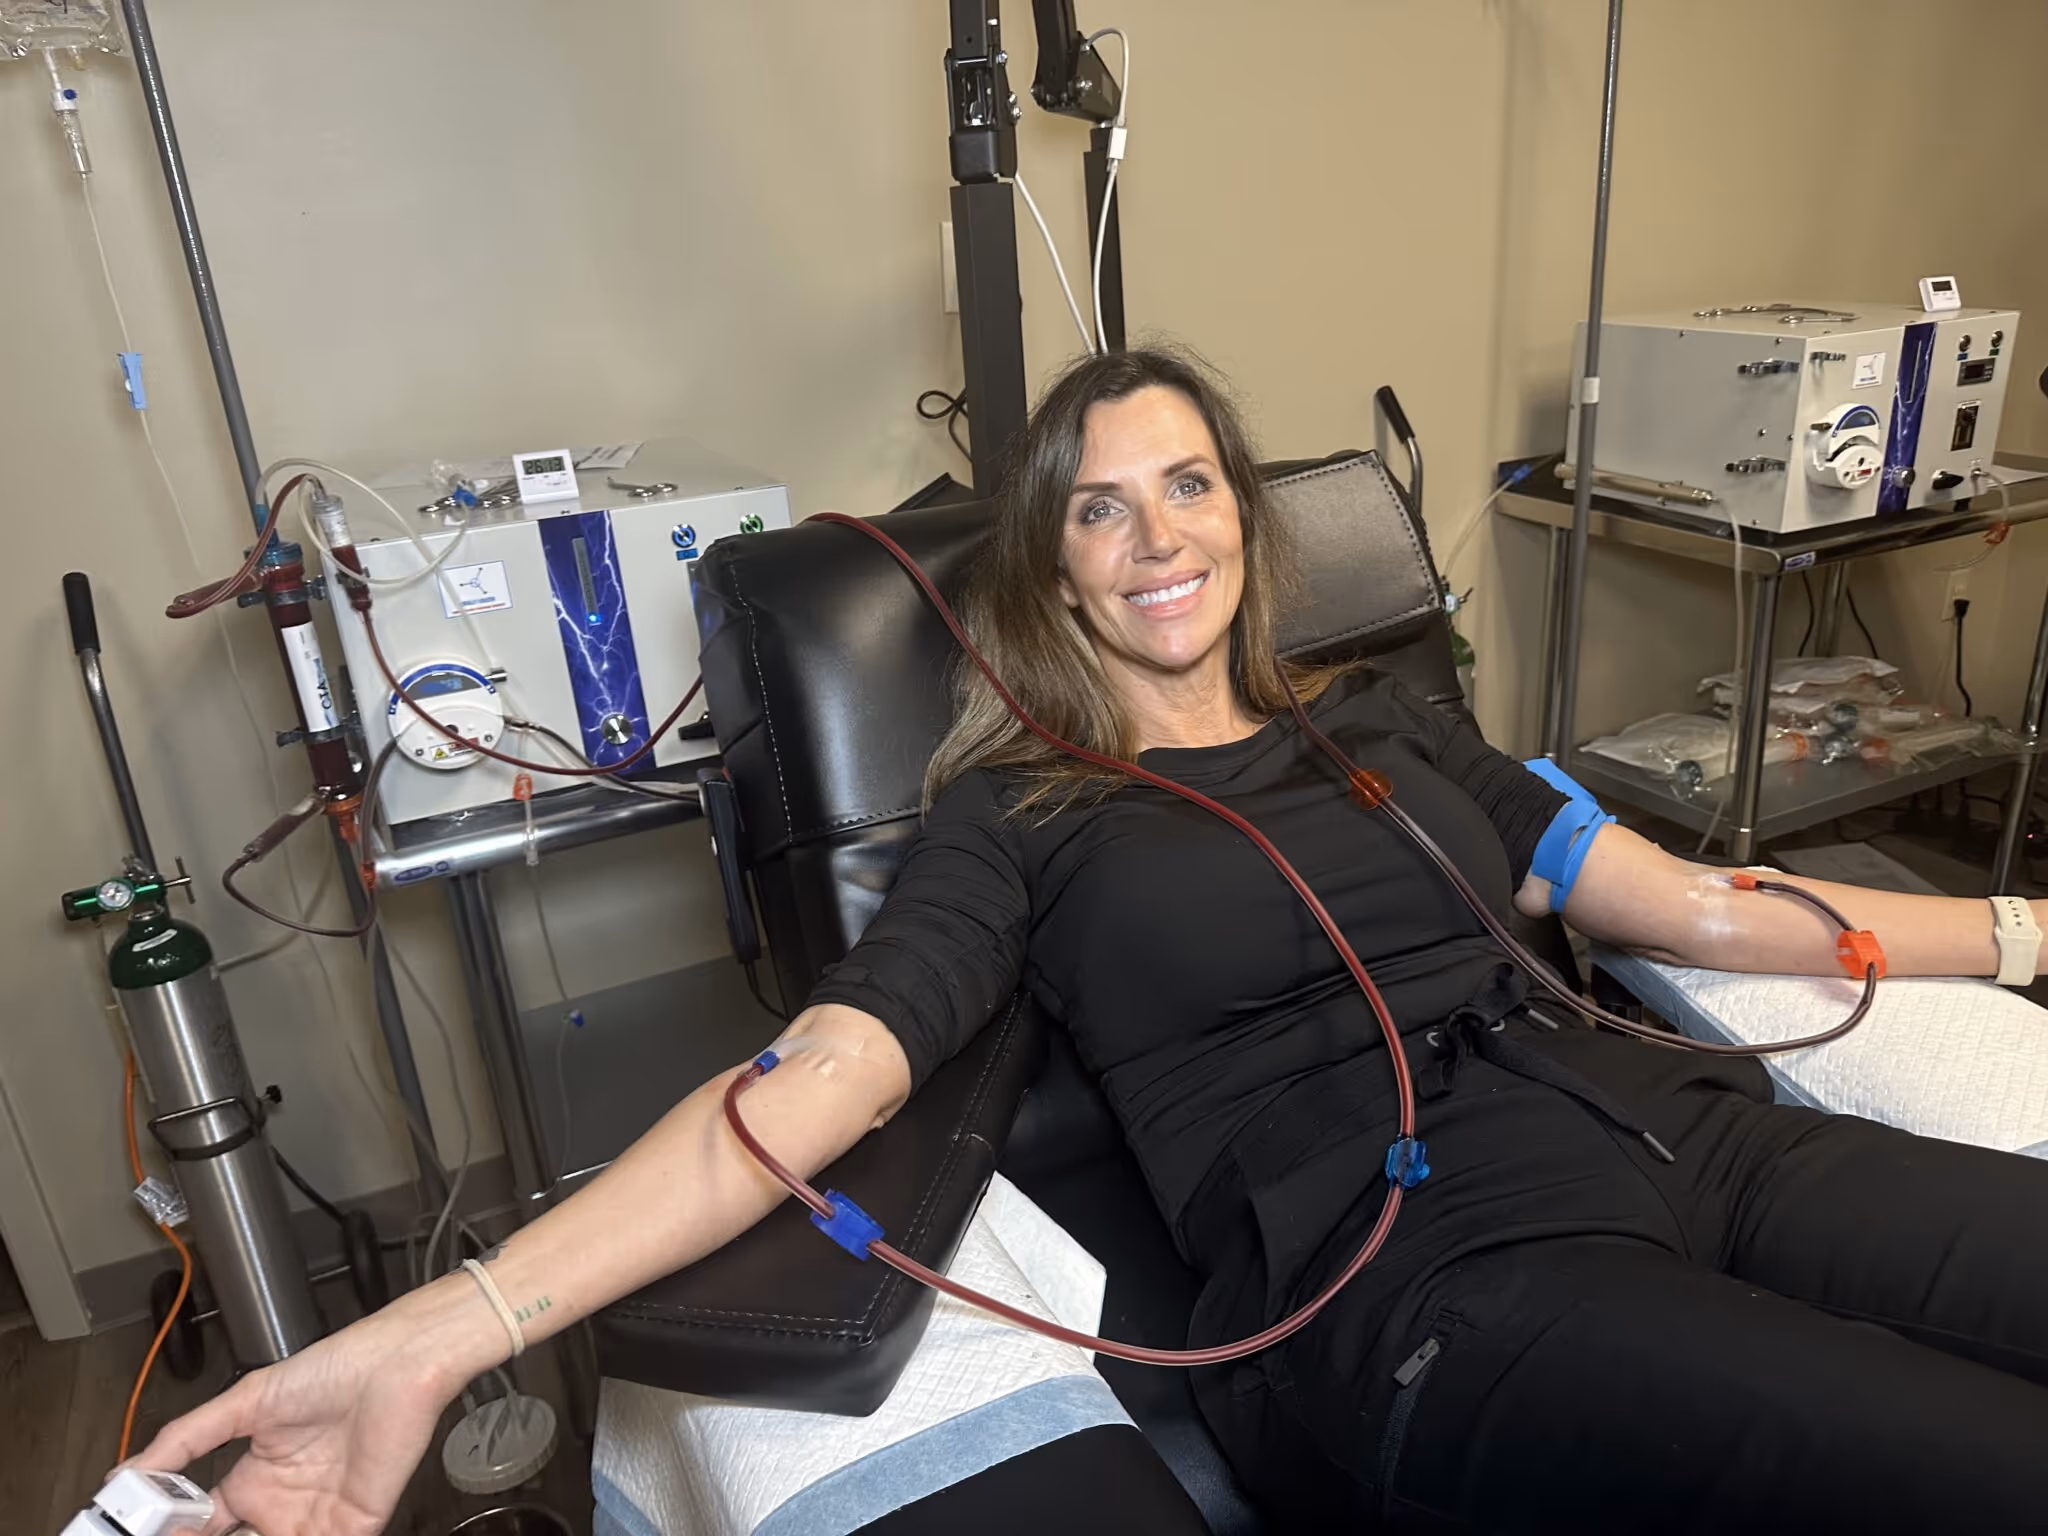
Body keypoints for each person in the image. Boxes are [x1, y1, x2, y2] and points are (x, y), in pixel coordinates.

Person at [137, 347, 2048, 1534]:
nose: (1158, 540)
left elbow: (1703, 905)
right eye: (1100, 508)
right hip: (1435, 1280)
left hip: (1694, 1132)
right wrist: (436, 1333)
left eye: (1190, 484)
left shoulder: (1396, 730)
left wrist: (2020, 925)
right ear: (1051, 561)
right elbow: (808, 1086)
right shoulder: (1014, 823)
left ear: (1246, 517)